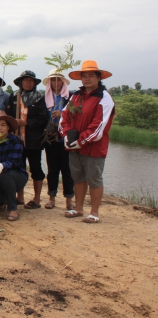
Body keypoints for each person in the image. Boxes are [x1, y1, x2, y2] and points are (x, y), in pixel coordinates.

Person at [59, 60, 115, 224]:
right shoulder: (76, 96)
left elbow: (98, 126)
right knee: (78, 177)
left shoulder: (104, 98)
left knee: (94, 178)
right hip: (74, 146)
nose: (87, 79)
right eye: (84, 76)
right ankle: (78, 208)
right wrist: (66, 136)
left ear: (98, 77)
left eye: (91, 75)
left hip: (93, 148)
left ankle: (94, 212)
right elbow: (64, 117)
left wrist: (81, 141)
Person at [6, 71, 47, 209]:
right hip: (16, 140)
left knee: (36, 168)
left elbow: (43, 118)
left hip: (33, 140)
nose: (28, 83)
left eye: (31, 81)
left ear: (34, 83)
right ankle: (20, 196)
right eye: (25, 80)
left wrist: (26, 122)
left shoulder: (39, 98)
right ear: (20, 82)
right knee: (18, 167)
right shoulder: (14, 97)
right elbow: (8, 116)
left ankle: (36, 199)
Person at [0, 111, 28, 222]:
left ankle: (12, 208)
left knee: (5, 175)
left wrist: (2, 165)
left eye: (3, 125)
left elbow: (14, 162)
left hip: (17, 177)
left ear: (8, 127)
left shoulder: (16, 141)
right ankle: (1, 201)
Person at [42, 69, 74, 210]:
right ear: (49, 82)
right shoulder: (45, 98)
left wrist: (62, 114)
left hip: (65, 138)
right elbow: (42, 116)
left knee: (67, 170)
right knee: (52, 169)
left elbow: (77, 115)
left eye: (58, 79)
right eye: (53, 80)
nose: (56, 82)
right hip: (50, 138)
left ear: (63, 81)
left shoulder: (71, 97)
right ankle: (51, 198)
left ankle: (69, 199)